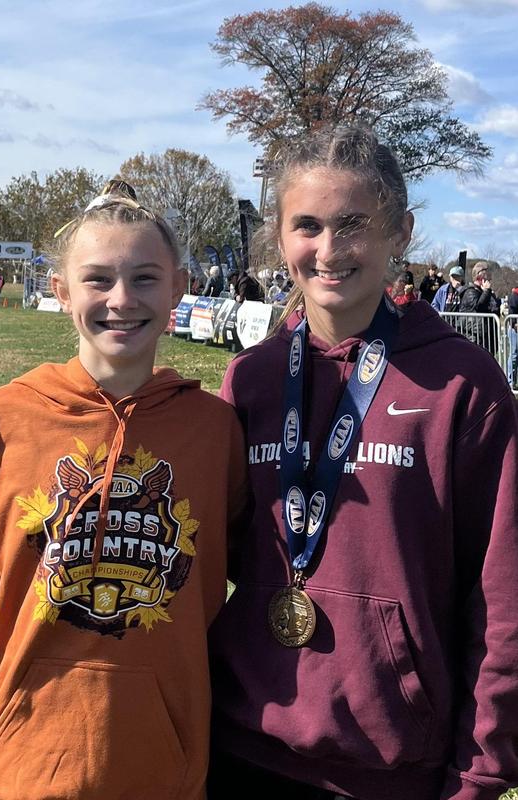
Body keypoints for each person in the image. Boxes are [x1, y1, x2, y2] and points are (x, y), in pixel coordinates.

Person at [0, 182, 248, 800]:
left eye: (145, 278)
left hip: (170, 773)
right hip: (28, 767)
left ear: (178, 286)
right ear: (59, 290)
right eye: (97, 279)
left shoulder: (214, 430)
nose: (122, 300)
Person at [208, 124, 518, 800]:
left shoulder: (462, 386)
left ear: (400, 232)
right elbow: (217, 560)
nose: (327, 250)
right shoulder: (252, 380)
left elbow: (502, 597)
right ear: (281, 237)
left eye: (353, 225)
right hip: (239, 748)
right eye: (307, 226)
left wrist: (481, 770)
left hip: (391, 769)